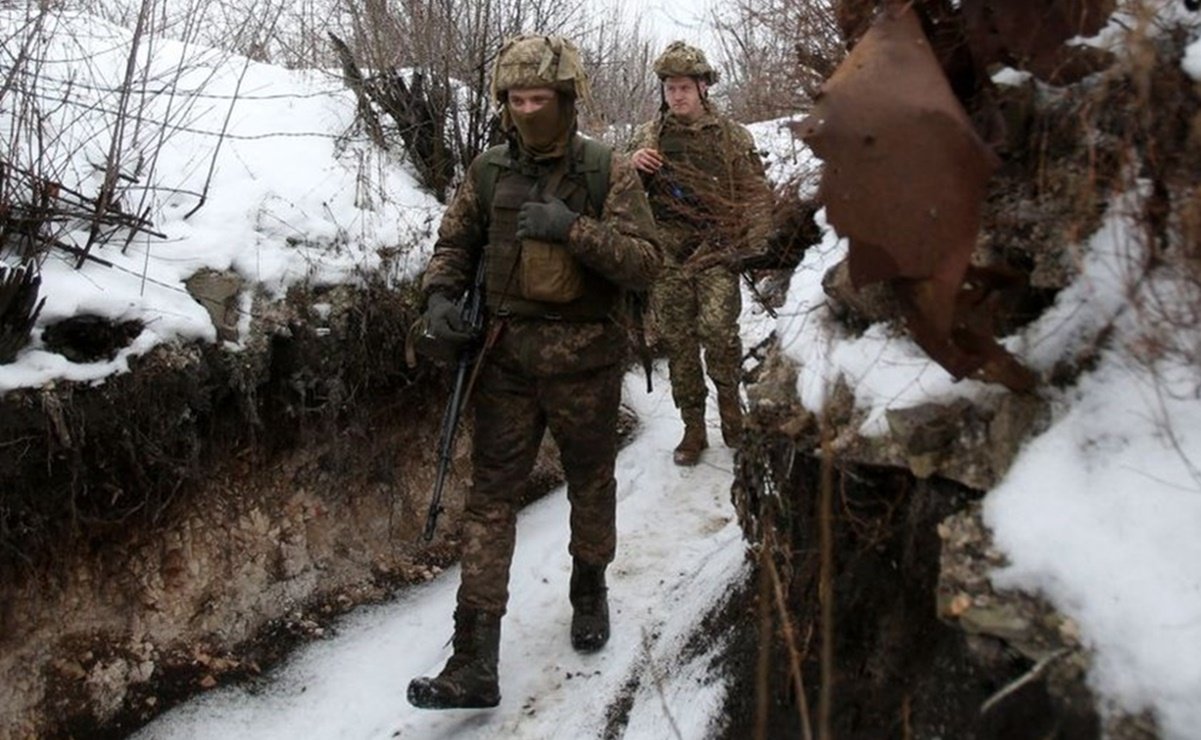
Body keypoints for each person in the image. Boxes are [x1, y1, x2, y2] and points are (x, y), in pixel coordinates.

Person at [407, 34, 661, 710]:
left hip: (586, 363)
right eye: (516, 100)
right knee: (490, 499)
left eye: (539, 99)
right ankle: (473, 660)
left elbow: (644, 262)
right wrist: (437, 299)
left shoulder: (609, 170)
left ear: (567, 100)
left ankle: (588, 590)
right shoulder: (487, 171)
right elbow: (454, 245)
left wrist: (572, 229)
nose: (527, 110)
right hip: (504, 361)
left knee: (590, 482)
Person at [628, 41, 774, 467]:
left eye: (684, 88)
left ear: (703, 89)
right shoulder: (648, 136)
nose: (677, 96)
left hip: (715, 252)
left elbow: (755, 195)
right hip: (669, 256)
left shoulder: (732, 136)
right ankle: (692, 427)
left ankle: (731, 410)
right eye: (670, 88)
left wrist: (753, 247)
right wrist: (633, 167)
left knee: (719, 332)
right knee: (679, 343)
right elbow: (620, 194)